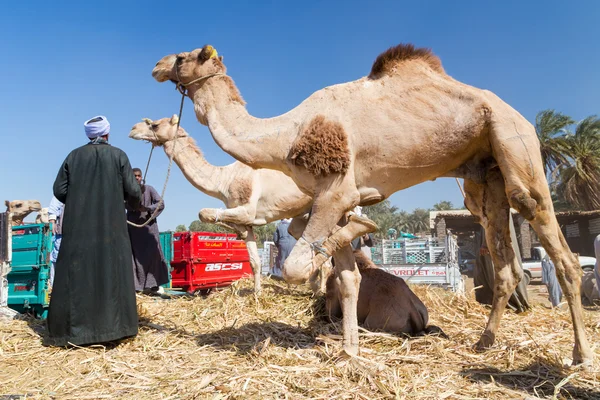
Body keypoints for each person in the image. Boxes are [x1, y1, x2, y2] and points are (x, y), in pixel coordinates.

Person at [46, 115, 142, 347]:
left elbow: (59, 190)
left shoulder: (73, 156)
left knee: (77, 275)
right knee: (113, 273)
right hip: (112, 228)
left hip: (77, 229)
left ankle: (71, 334)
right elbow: (133, 191)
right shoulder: (119, 155)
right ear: (107, 134)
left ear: (89, 135)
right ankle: (116, 330)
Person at [126, 168, 169, 294]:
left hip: (149, 229)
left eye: (139, 176)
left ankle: (153, 285)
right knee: (134, 258)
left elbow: (160, 203)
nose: (137, 178)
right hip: (134, 230)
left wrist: (147, 208)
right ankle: (137, 287)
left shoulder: (149, 189)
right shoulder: (127, 192)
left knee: (153, 256)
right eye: (134, 176)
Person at [47, 196, 64, 289]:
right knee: (56, 259)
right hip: (62, 232)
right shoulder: (64, 189)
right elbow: (54, 206)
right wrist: (52, 221)